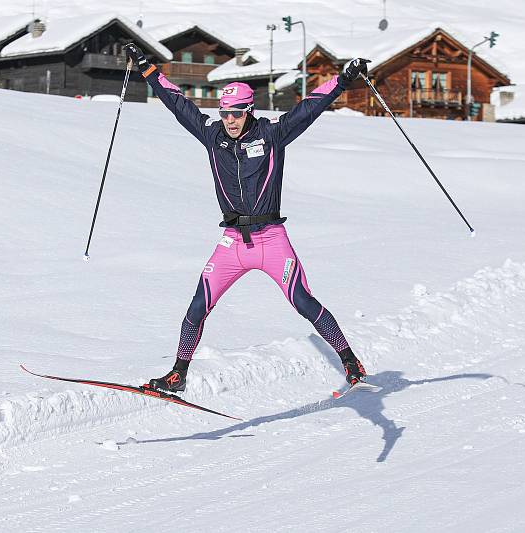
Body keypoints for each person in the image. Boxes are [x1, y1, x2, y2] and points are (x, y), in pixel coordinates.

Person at [122, 42, 371, 393]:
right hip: (232, 243)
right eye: (224, 112)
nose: (229, 120)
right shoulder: (213, 137)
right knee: (197, 306)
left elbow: (309, 108)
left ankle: (350, 361)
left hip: (271, 240)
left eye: (236, 113)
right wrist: (147, 68)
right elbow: (178, 103)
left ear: (249, 110)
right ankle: (179, 373)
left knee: (303, 301)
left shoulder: (272, 135)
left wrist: (343, 80)